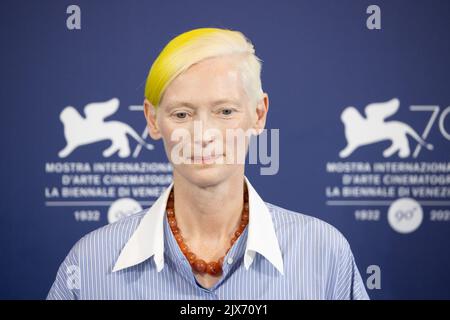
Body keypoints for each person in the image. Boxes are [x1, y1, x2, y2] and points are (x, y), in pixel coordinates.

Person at [47, 27, 369, 300]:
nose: (203, 135)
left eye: (225, 112)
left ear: (259, 115)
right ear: (153, 120)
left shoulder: (325, 254)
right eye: (182, 114)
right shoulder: (89, 264)